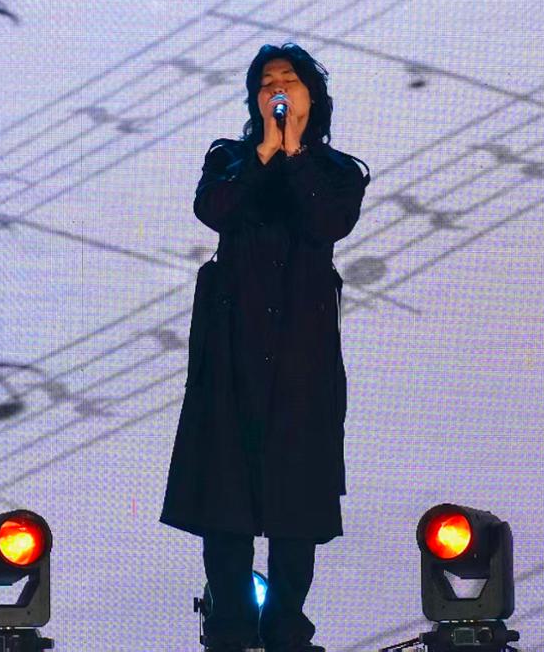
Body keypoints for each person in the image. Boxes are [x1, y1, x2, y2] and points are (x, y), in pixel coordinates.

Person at [161, 43, 370, 652]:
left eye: (289, 80)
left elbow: (328, 223)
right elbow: (214, 209)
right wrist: (262, 155)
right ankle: (228, 631)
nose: (277, 88)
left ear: (312, 96)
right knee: (225, 501)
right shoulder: (228, 159)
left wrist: (296, 153)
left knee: (294, 503)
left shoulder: (338, 172)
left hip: (302, 362)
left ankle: (286, 632)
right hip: (232, 357)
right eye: (266, 82)